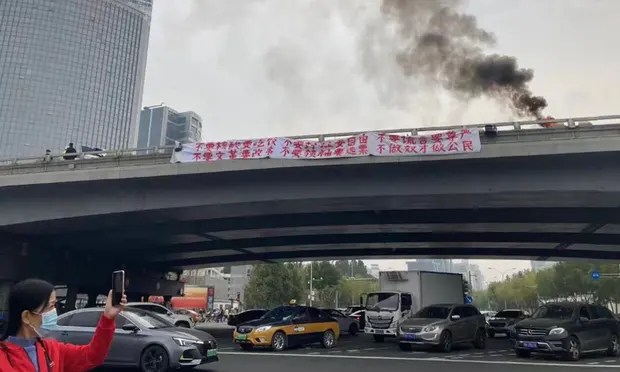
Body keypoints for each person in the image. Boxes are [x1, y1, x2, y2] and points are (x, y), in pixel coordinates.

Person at [0, 278, 127, 371]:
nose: (55, 311)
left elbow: (93, 355)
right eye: (50, 306)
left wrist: (108, 318)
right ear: (27, 316)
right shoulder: (3, 358)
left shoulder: (52, 349)